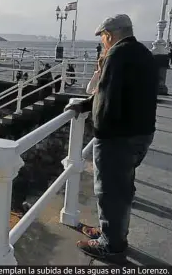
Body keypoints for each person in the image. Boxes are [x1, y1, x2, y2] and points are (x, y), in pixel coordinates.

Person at [65, 14, 157, 264]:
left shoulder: (117, 55)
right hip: (141, 132)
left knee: (110, 191)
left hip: (118, 137)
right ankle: (111, 233)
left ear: (110, 34)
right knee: (122, 188)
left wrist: (100, 133)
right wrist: (85, 105)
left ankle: (111, 245)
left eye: (103, 37)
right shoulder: (143, 53)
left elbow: (108, 97)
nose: (103, 42)